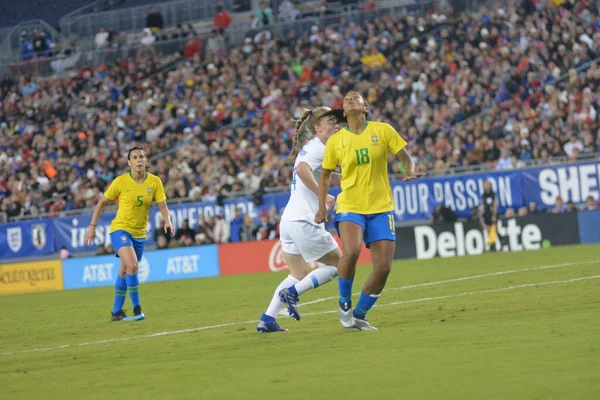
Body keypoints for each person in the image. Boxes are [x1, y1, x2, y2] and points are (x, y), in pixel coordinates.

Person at [315, 92, 424, 331]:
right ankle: (344, 303)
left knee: (384, 267)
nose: (350, 99)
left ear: (366, 107)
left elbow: (404, 156)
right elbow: (324, 176)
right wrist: (321, 206)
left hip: (381, 207)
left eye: (356, 97)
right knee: (351, 252)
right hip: (350, 206)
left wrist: (410, 169)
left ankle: (360, 314)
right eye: (346, 99)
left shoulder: (383, 130)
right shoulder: (336, 141)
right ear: (344, 112)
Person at [257, 107, 343, 333]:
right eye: (332, 122)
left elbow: (322, 175)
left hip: (289, 221)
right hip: (304, 219)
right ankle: (292, 294)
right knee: (339, 264)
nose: (337, 125)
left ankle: (267, 318)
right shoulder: (318, 148)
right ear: (318, 128)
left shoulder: (313, 148)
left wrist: (348, 179)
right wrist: (322, 196)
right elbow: (304, 171)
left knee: (297, 275)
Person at [85, 146, 175, 321]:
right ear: (129, 162)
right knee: (133, 265)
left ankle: (116, 312)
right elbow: (102, 203)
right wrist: (92, 226)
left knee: (125, 271)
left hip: (140, 233)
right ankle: (137, 309)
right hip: (120, 229)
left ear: (146, 160)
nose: (139, 160)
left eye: (142, 156)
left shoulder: (155, 182)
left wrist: (168, 220)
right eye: (135, 157)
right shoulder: (120, 182)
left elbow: (162, 205)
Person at [480, 180, 498, 251]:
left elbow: (495, 205)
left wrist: (494, 214)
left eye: (488, 184)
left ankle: (502, 243)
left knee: (495, 229)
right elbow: (483, 206)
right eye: (485, 184)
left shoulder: (492, 194)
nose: (487, 186)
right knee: (488, 230)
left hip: (492, 213)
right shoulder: (483, 195)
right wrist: (481, 215)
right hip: (486, 214)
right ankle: (492, 246)